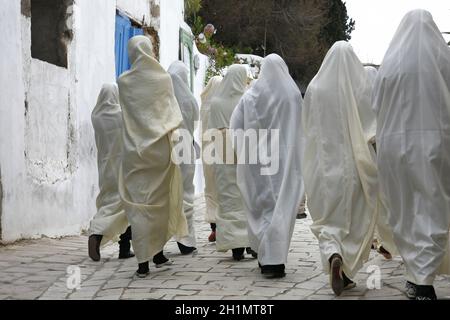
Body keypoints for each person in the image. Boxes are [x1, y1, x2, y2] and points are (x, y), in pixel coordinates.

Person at [373, 9, 450, 300]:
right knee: (433, 206)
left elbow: (376, 103)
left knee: (404, 207)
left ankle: (416, 274)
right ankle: (423, 276)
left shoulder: (390, 64)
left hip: (395, 147)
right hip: (436, 144)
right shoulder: (444, 60)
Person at [302, 41, 379, 296]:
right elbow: (371, 125)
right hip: (354, 167)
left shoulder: (315, 87)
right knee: (356, 219)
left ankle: (332, 253)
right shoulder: (359, 85)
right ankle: (345, 270)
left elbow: (307, 127)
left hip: (323, 168)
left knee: (328, 218)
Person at [117, 36, 188, 278]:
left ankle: (144, 261)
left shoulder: (123, 81)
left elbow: (125, 115)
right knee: (159, 204)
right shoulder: (163, 79)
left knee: (139, 206)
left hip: (134, 153)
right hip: (159, 150)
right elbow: (172, 112)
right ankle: (155, 253)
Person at [231, 54, 305, 278]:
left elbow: (235, 127)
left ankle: (266, 258)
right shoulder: (293, 95)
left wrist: (246, 152)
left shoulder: (250, 96)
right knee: (282, 207)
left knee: (262, 206)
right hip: (285, 162)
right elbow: (303, 128)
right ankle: (276, 259)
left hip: (258, 163)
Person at [208, 64, 253, 261]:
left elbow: (211, 128)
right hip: (243, 147)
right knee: (246, 195)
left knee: (228, 197)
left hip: (221, 149)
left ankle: (234, 246)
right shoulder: (247, 98)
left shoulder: (216, 100)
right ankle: (249, 240)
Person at [88, 83, 134, 262]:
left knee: (108, 200)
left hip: (105, 166)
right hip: (123, 166)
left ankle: (100, 236)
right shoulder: (121, 115)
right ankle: (116, 243)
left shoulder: (96, 115)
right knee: (126, 205)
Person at [362, 66, 398, 261]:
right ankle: (385, 240)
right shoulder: (382, 97)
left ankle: (369, 238)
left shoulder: (358, 97)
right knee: (385, 200)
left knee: (366, 199)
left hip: (364, 154)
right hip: (383, 153)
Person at [168, 61, 199, 255]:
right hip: (185, 148)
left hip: (166, 149)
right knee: (186, 192)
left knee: (165, 192)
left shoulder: (162, 96)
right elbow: (194, 122)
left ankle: (159, 240)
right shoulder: (190, 100)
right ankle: (186, 240)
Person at [200, 76, 223, 242]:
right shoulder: (223, 105)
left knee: (211, 190)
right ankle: (224, 226)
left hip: (207, 152)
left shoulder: (205, 105)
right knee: (224, 189)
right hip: (224, 152)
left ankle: (214, 228)